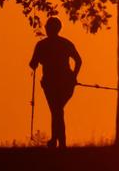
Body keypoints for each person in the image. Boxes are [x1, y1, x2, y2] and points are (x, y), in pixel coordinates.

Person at [28, 18, 82, 148]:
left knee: (56, 110)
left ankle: (58, 142)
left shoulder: (42, 45)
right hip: (64, 83)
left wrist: (73, 77)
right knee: (57, 110)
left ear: (50, 28)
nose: (46, 28)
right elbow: (79, 61)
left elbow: (32, 63)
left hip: (53, 83)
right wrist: (73, 76)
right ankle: (58, 142)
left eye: (47, 26)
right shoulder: (65, 43)